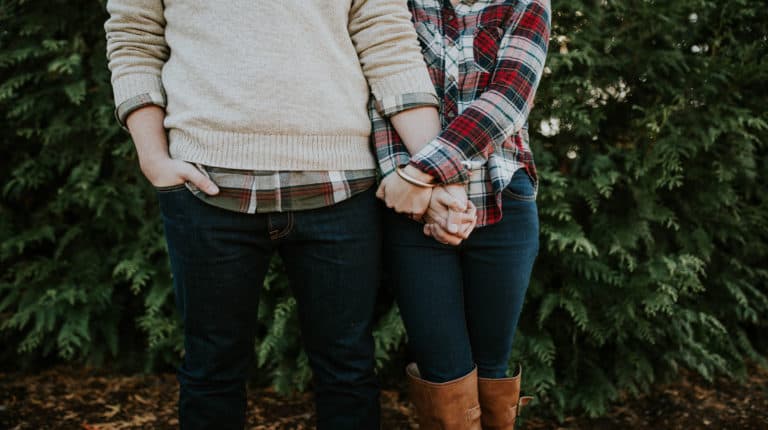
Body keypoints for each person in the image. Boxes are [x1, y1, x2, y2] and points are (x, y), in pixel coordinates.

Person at [104, 1, 445, 428]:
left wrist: (435, 167)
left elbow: (388, 40)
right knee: (211, 370)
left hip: (340, 186)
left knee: (348, 370)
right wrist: (153, 158)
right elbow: (133, 37)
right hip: (206, 186)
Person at [374, 0, 552, 428]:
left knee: (492, 366)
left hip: (503, 199)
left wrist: (423, 173)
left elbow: (508, 99)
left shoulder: (526, 3)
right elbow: (383, 92)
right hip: (415, 211)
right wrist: (424, 192)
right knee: (443, 371)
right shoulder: (401, 5)